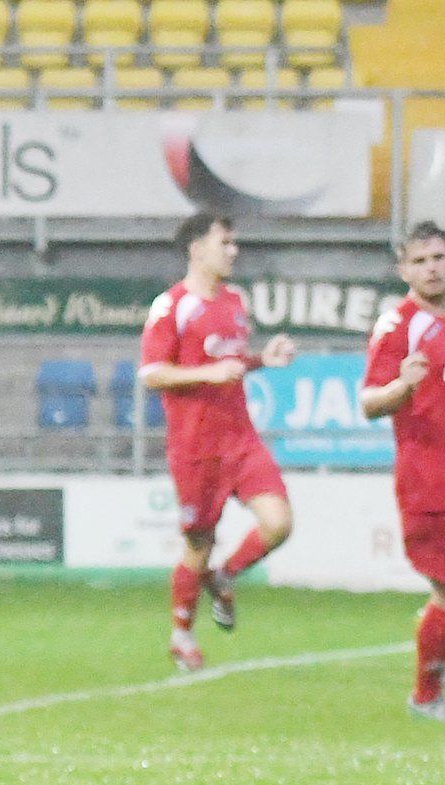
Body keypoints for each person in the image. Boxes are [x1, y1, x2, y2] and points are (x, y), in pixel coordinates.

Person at [140, 212, 298, 673]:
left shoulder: (234, 301)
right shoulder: (171, 307)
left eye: (234, 243)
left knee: (279, 523)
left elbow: (229, 362)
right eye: (225, 243)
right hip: (195, 448)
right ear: (197, 249)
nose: (234, 251)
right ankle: (182, 634)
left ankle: (225, 577)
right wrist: (208, 373)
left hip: (241, 439)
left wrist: (260, 360)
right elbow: (151, 373)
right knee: (198, 545)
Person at [360, 222, 445, 720]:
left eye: (438, 257)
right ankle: (425, 696)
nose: (431, 268)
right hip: (431, 481)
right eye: (419, 261)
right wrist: (401, 386)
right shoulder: (399, 326)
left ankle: (428, 695)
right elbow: (369, 402)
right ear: (403, 270)